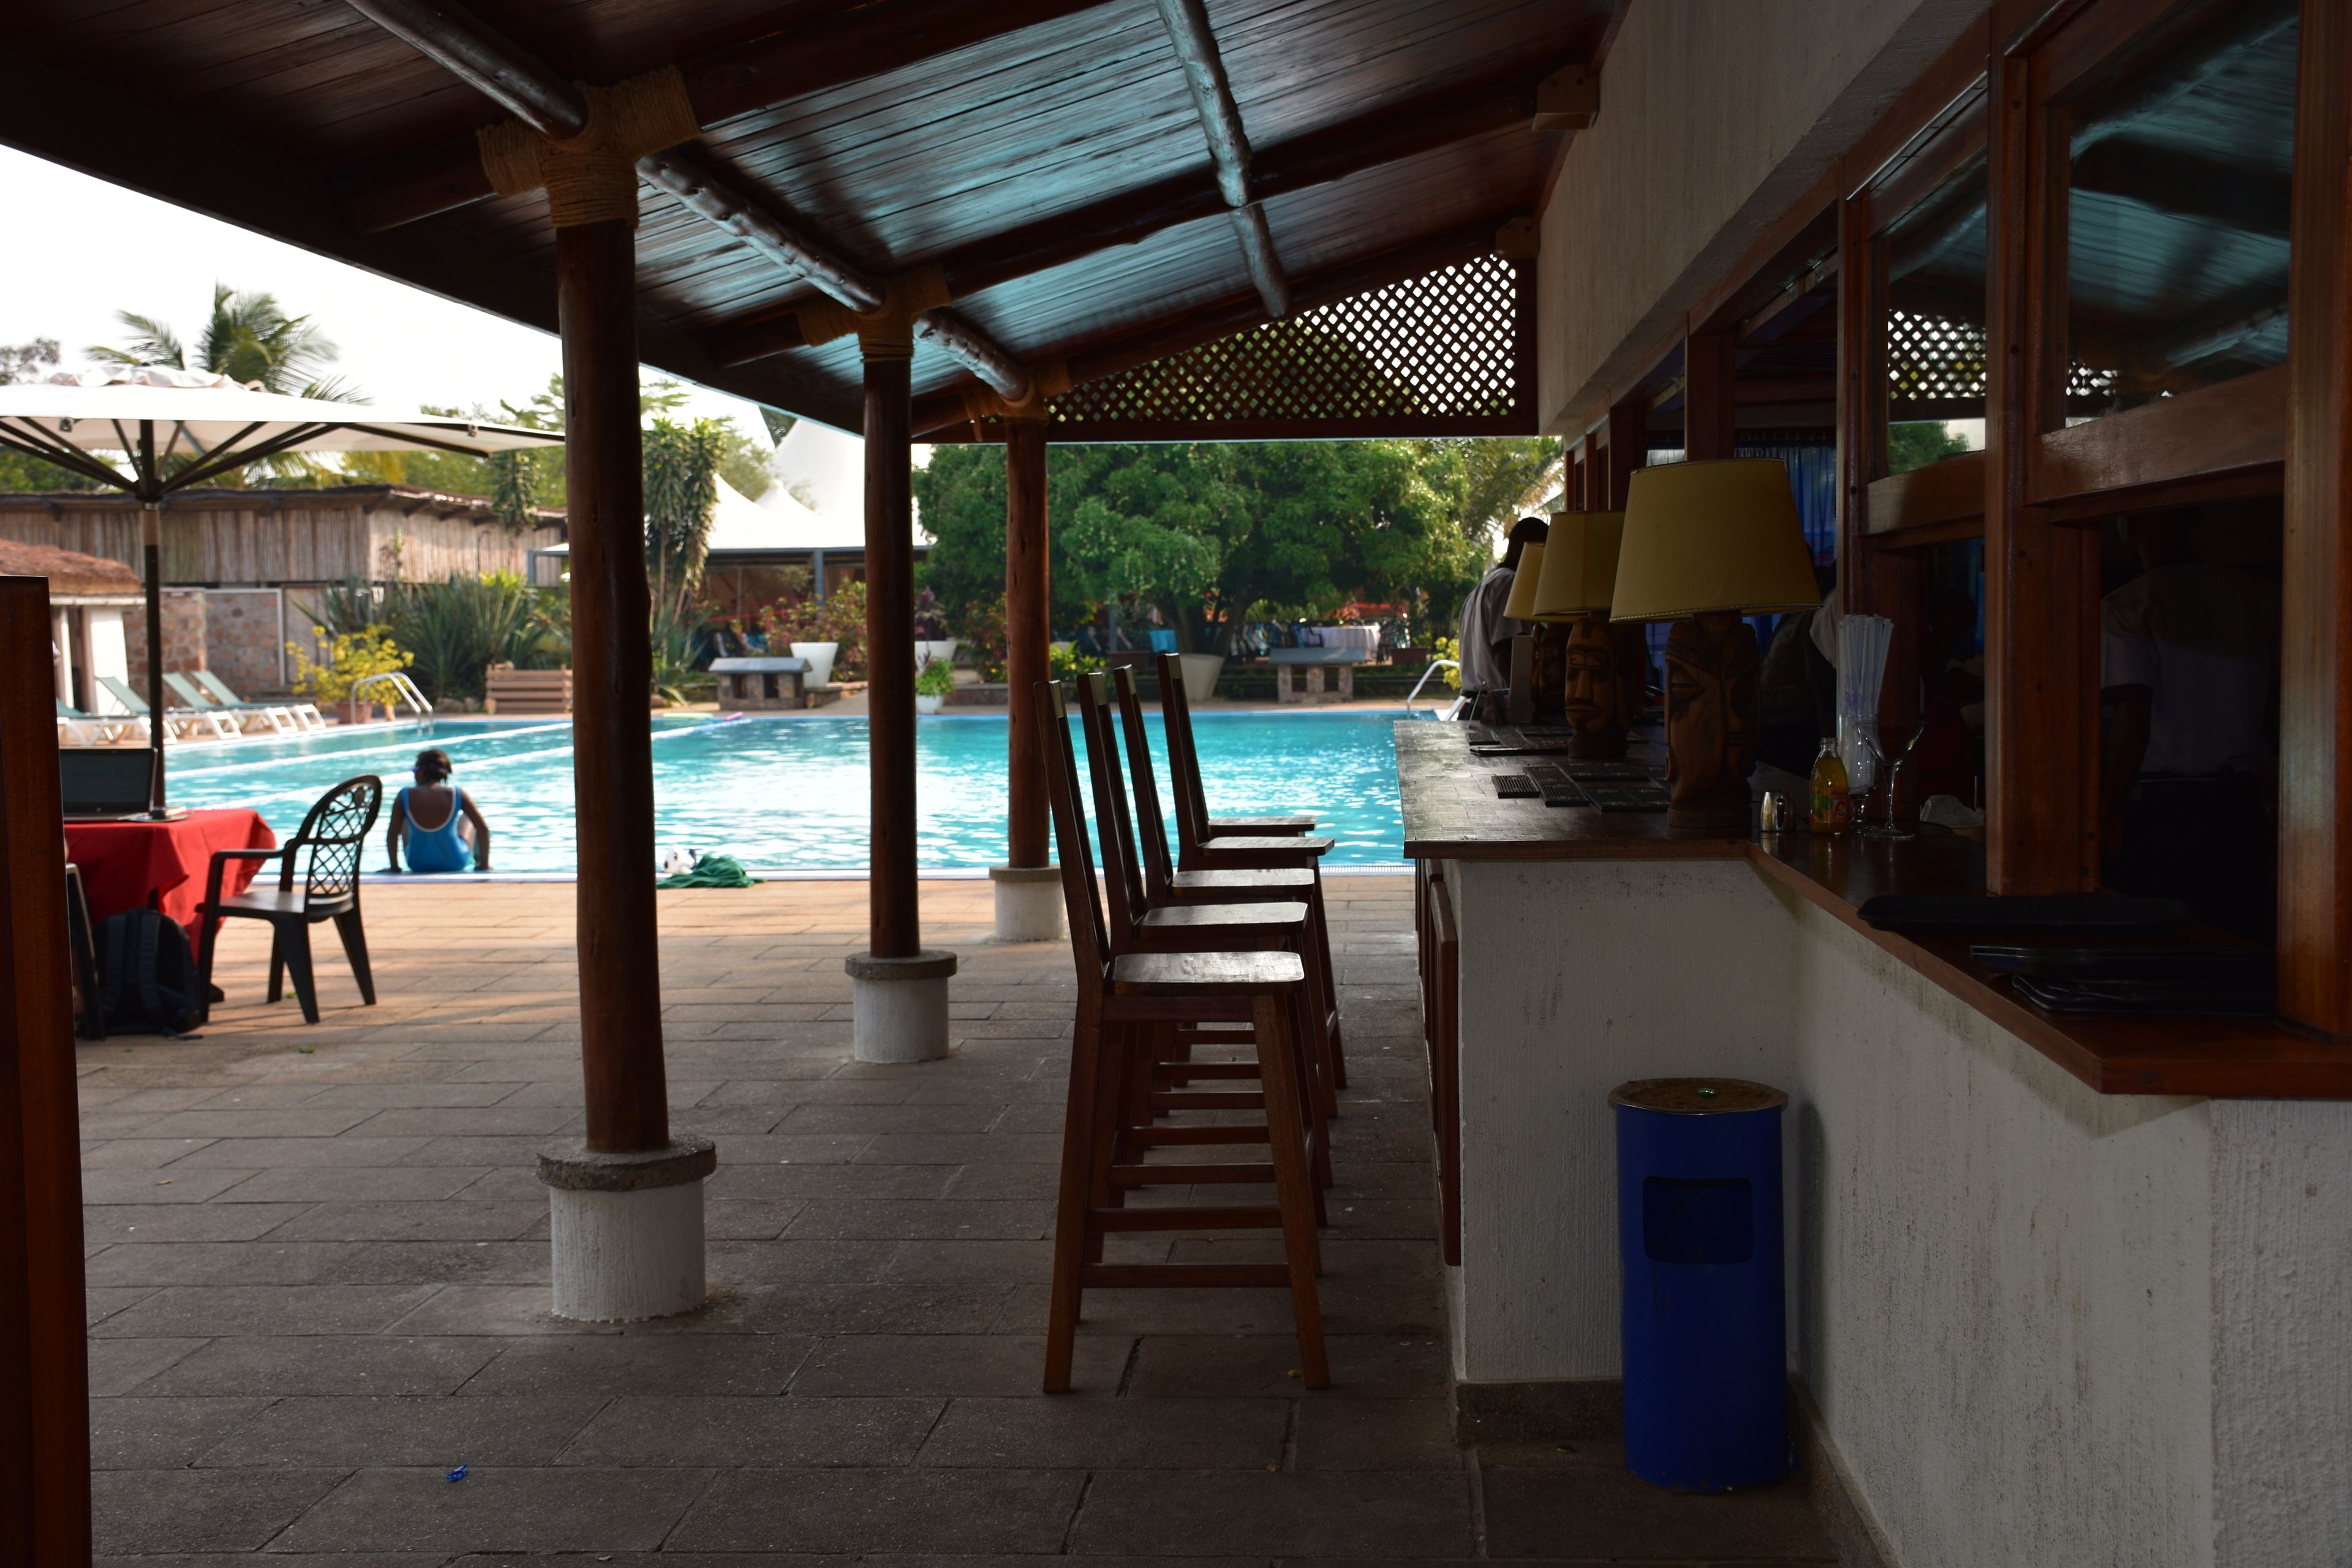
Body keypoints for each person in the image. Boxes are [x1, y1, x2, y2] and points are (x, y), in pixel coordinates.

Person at [2098, 510, 2279, 939]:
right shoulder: (2261, 595)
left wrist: (2107, 811)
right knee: (2235, 938)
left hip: (2160, 809)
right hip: (2238, 803)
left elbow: (2133, 716)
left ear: (2130, 529)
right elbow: (2279, 700)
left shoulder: (2129, 606)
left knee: (2160, 943)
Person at [1457, 516, 1548, 722]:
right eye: (1544, 549)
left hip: (1476, 709)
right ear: (1521, 547)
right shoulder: (1509, 584)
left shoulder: (1484, 586)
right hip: (1497, 712)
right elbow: (1508, 660)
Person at [386, 748, 492, 874]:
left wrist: (394, 867)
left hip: (417, 863)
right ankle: (480, 862)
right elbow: (483, 828)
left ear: (421, 772)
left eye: (415, 770)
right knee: (468, 819)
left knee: (403, 818)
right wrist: (485, 865)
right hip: (455, 862)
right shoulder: (457, 794)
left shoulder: (404, 795)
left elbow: (392, 834)